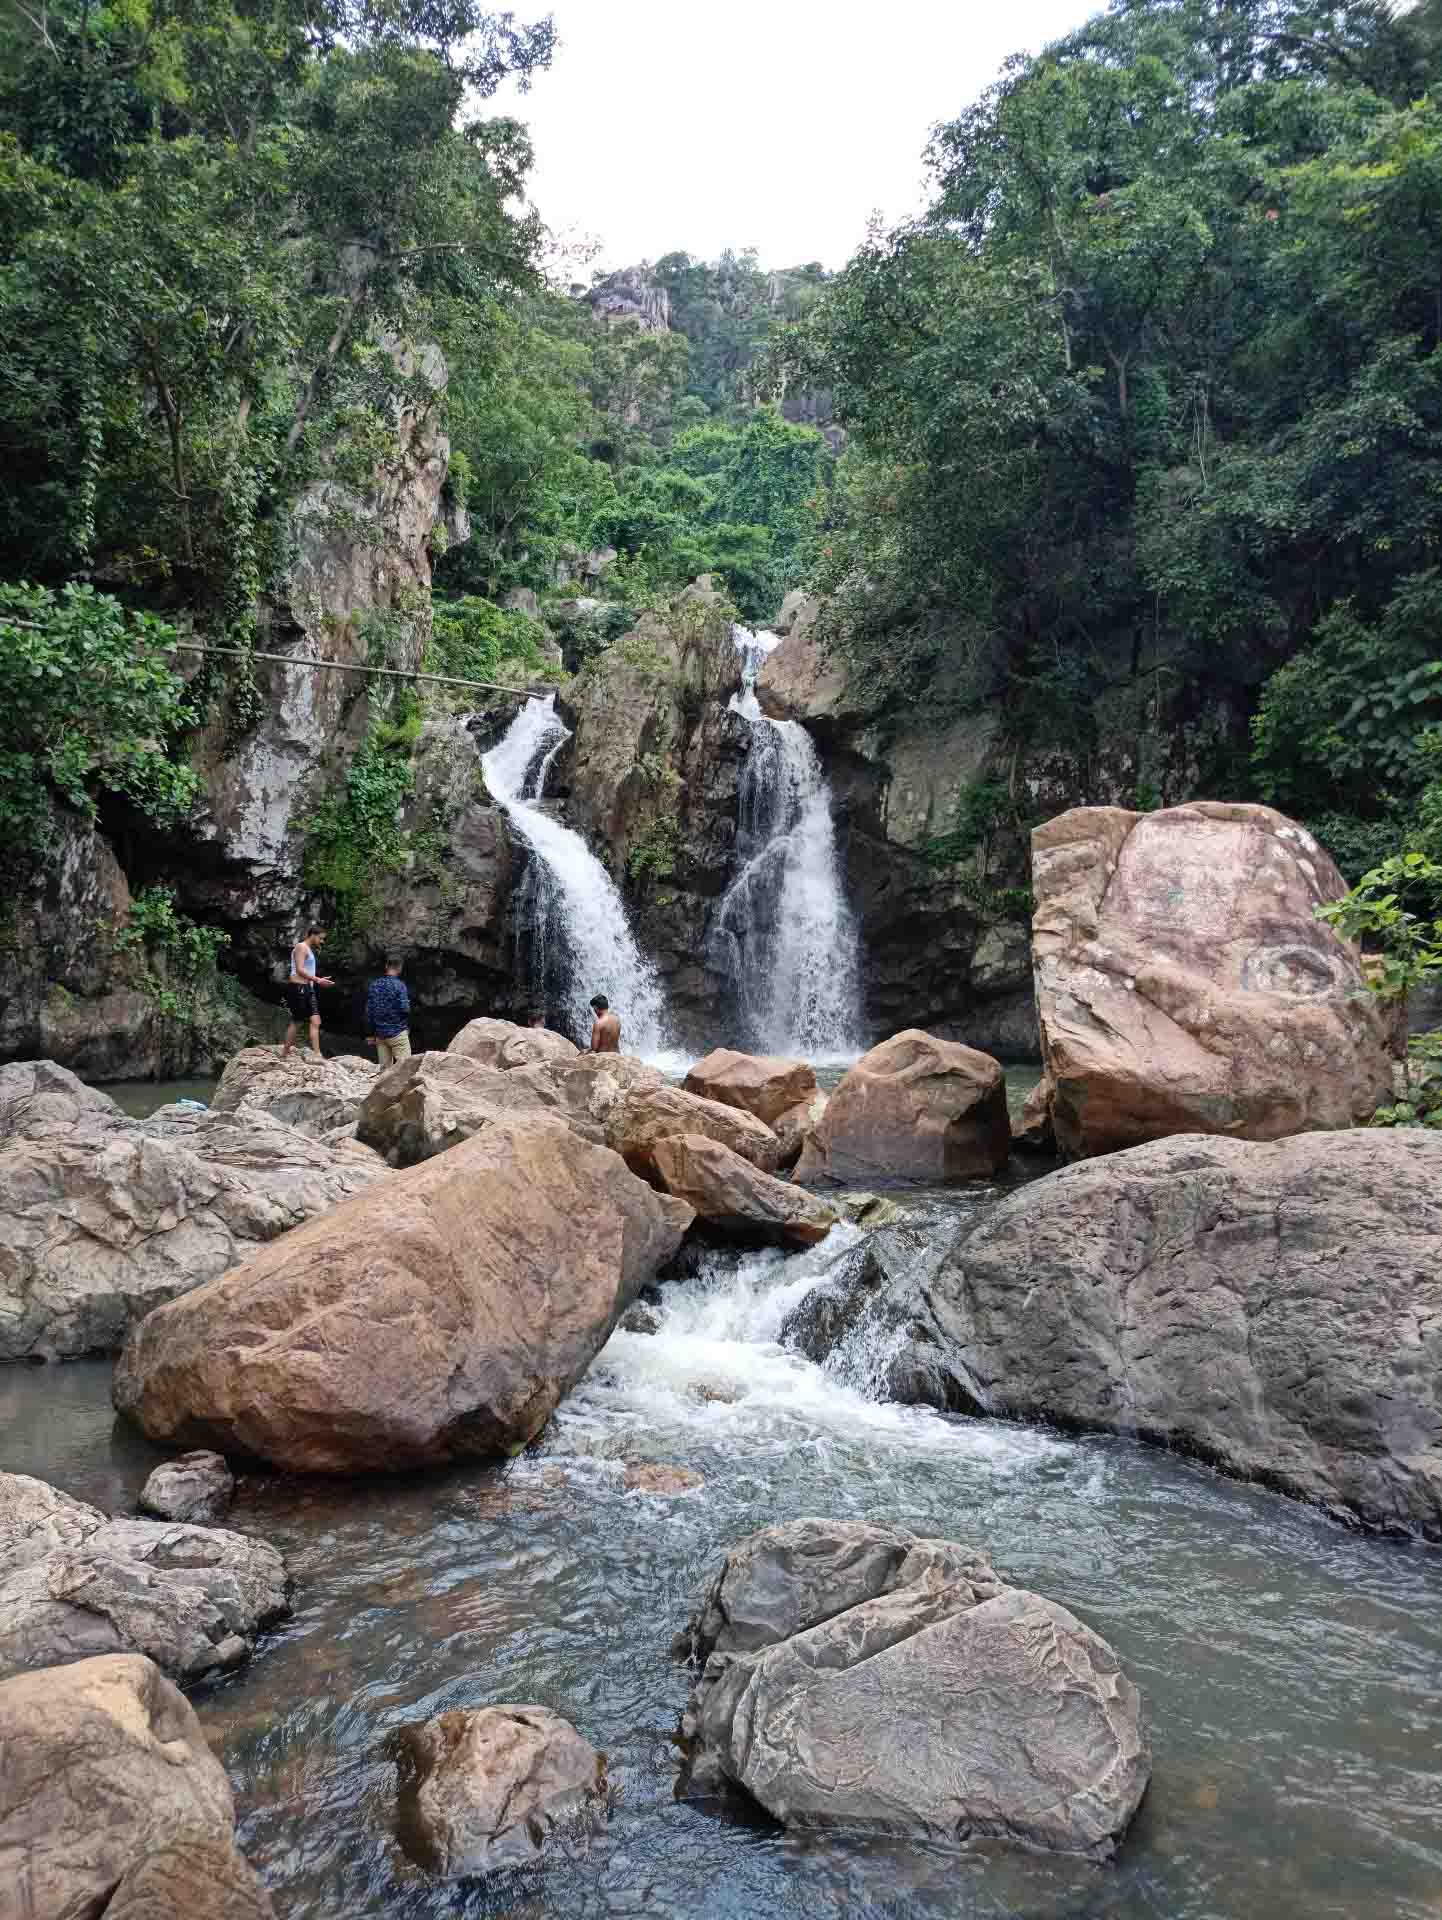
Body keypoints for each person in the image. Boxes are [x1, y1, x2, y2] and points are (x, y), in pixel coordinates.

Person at [282, 925, 333, 1058]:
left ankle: (317, 1054)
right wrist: (318, 980)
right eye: (321, 938)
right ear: (313, 935)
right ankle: (285, 1052)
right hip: (298, 988)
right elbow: (299, 969)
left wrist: (318, 980)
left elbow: (307, 971)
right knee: (297, 1021)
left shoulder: (308, 950)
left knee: (316, 1021)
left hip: (308, 989)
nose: (322, 942)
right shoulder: (301, 947)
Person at [366, 955, 412, 1067]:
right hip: (397, 1032)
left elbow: (369, 1012)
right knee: (405, 1068)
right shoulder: (400, 986)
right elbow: (405, 1009)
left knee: (384, 1071)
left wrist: (371, 1033)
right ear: (400, 968)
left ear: (386, 966)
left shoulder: (374, 985)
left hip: (380, 1034)